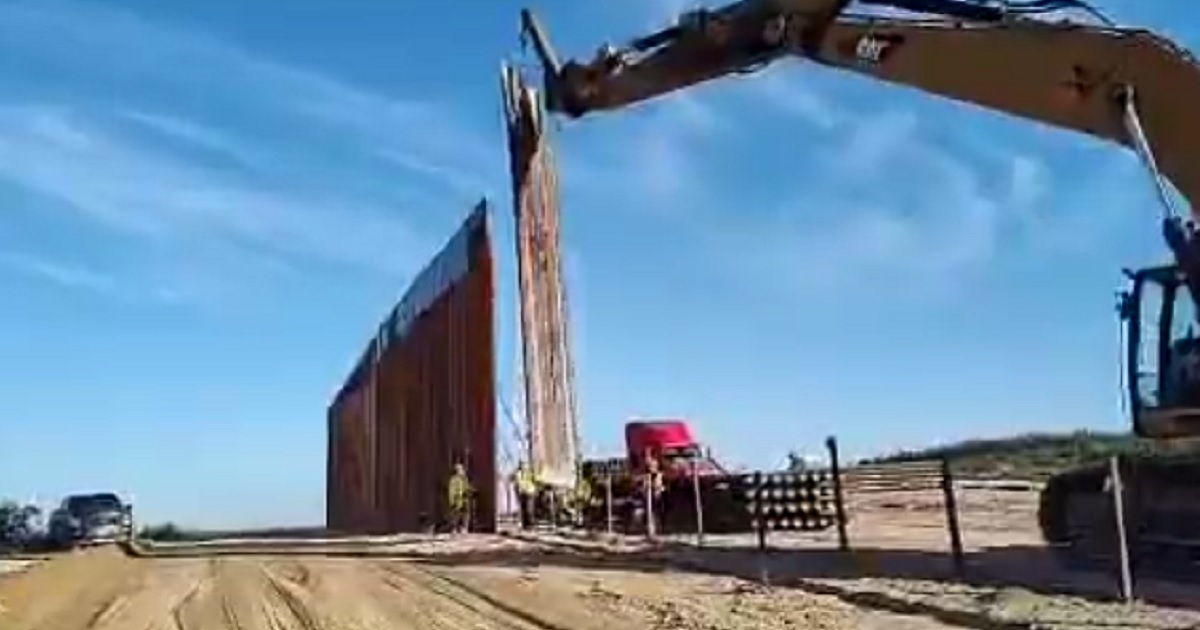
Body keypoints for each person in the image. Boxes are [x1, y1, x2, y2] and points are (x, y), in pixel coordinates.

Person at [447, 462, 473, 534]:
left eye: (460, 469)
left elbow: (466, 487)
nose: (460, 471)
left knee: (465, 514)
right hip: (457, 499)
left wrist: (468, 492)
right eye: (458, 469)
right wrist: (452, 501)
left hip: (464, 499)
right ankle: (454, 528)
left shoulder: (465, 478)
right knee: (456, 515)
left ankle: (464, 528)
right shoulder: (453, 479)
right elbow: (451, 491)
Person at [512, 462, 537, 530]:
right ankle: (525, 525)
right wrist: (517, 492)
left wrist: (534, 490)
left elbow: (534, 480)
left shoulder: (529, 472)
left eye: (524, 465)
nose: (523, 466)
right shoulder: (518, 473)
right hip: (522, 492)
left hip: (529, 491)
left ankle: (530, 524)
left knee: (529, 509)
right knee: (523, 509)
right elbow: (517, 483)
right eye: (522, 465)